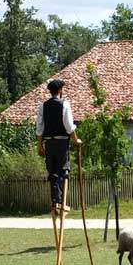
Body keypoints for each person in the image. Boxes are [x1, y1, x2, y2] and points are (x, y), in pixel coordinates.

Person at [36, 79, 82, 214]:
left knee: (52, 172)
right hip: (61, 143)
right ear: (60, 90)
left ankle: (54, 201)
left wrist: (39, 146)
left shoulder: (43, 106)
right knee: (62, 171)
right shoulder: (64, 105)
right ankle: (61, 203)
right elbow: (68, 126)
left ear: (50, 91)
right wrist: (76, 140)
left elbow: (39, 128)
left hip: (49, 143)